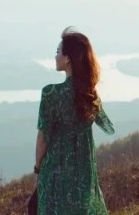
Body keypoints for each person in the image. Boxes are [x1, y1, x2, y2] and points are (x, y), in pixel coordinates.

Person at [33, 27, 115, 215]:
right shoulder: (89, 95)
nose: (55, 56)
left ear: (67, 58)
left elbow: (42, 138)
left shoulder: (51, 94)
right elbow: (108, 127)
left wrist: (38, 168)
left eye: (57, 52)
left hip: (55, 173)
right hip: (83, 174)